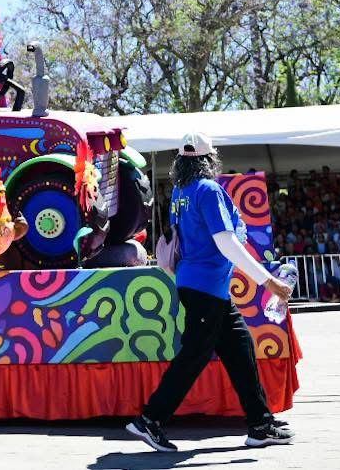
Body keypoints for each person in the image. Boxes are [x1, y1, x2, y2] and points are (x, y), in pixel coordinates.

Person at [127, 133, 296, 452]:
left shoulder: (181, 190)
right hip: (206, 285)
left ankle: (260, 424)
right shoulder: (208, 190)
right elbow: (226, 243)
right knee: (194, 355)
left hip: (200, 284)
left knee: (240, 347)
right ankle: (149, 420)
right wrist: (268, 282)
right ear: (209, 160)